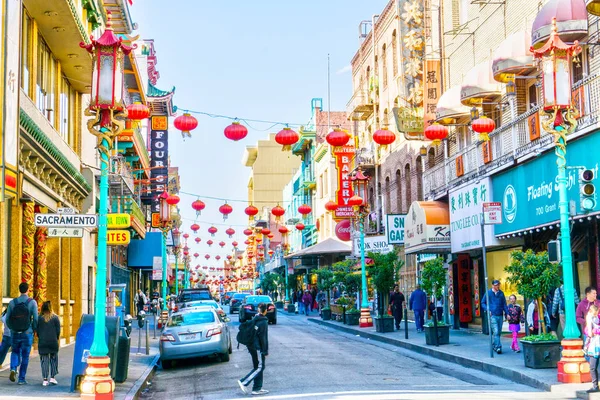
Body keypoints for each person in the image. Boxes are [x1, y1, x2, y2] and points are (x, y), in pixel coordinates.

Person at [6, 282, 38, 384]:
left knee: (15, 351)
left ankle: (13, 368)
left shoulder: (12, 302)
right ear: (28, 290)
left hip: (15, 332)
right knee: (25, 355)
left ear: (19, 290)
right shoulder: (32, 302)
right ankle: (21, 379)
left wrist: (12, 328)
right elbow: (36, 319)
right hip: (27, 332)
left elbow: (7, 319)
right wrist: (34, 329)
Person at [238, 303, 269, 396]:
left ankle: (257, 388)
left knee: (258, 367)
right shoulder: (263, 321)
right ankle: (244, 382)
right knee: (260, 367)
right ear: (265, 311)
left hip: (251, 346)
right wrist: (265, 351)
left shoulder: (255, 318)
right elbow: (263, 338)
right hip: (257, 347)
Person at [481, 279, 508, 354]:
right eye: (496, 285)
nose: (497, 286)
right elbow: (483, 302)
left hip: (500, 315)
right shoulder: (488, 293)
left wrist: (507, 313)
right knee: (495, 331)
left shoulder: (501, 293)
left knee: (498, 332)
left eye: (498, 285)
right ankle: (498, 347)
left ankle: (494, 345)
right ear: (492, 285)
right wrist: (487, 309)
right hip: (492, 315)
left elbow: (504, 304)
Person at [37, 301, 60, 386]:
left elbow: (37, 330)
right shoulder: (55, 318)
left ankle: (45, 379)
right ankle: (53, 378)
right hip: (53, 341)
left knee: (44, 360)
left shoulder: (40, 318)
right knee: (54, 359)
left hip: (43, 342)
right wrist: (56, 338)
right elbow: (58, 331)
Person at [585, 305, 600, 393]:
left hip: (594, 344)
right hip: (596, 343)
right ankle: (595, 385)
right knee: (593, 366)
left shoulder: (590, 318)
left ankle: (595, 386)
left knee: (592, 367)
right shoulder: (595, 318)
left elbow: (590, 333)